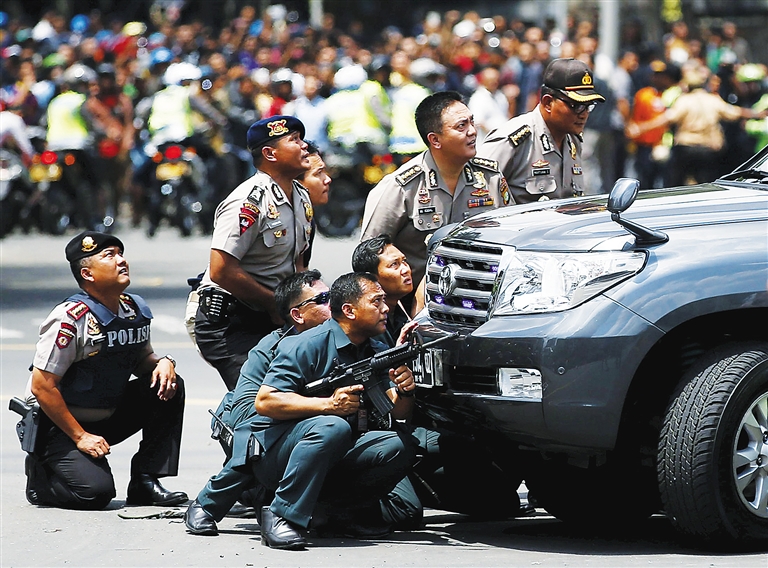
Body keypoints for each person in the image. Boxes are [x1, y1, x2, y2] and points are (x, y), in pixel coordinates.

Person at [252, 272, 419, 549]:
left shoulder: (375, 348)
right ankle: (280, 514)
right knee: (333, 425)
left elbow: (397, 412)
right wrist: (329, 405)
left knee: (400, 445)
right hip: (278, 454)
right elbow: (266, 401)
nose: (385, 308)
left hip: (334, 449)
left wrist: (405, 390)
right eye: (376, 301)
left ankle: (333, 514)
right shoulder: (307, 344)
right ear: (349, 311)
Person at [22, 231, 187, 510]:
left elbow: (142, 360)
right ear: (87, 274)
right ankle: (41, 478)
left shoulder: (132, 310)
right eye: (109, 256)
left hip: (107, 415)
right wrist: (80, 437)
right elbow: (42, 386)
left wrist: (164, 362)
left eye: (121, 254)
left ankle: (145, 481)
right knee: (96, 494)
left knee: (170, 384)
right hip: (60, 427)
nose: (121, 261)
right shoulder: (69, 318)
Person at [184, 270, 331, 536]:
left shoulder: (338, 339)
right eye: (322, 299)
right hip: (250, 427)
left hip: (299, 427)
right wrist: (307, 407)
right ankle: (208, 503)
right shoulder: (270, 347)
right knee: (262, 438)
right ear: (297, 315)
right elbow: (244, 413)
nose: (331, 304)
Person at [193, 115, 313, 390]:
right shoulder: (248, 201)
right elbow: (221, 270)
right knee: (259, 399)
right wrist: (274, 304)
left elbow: (298, 262)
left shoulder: (301, 196)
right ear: (270, 154)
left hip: (273, 315)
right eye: (294, 140)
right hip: (230, 321)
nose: (304, 146)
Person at [361, 90, 510, 293]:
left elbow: (512, 235)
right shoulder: (401, 187)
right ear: (435, 140)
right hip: (418, 300)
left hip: (483, 293)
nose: (472, 131)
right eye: (461, 126)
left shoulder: (490, 176)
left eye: (471, 122)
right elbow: (369, 258)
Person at [477, 57, 606, 205]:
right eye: (576, 106)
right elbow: (478, 193)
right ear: (548, 102)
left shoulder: (573, 140)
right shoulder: (514, 140)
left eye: (588, 106)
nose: (584, 114)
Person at [626, 63, 768, 186]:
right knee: (706, 186)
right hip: (708, 150)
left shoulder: (684, 101)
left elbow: (665, 119)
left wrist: (641, 127)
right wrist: (757, 114)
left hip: (685, 149)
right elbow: (735, 112)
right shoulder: (713, 100)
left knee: (675, 186)